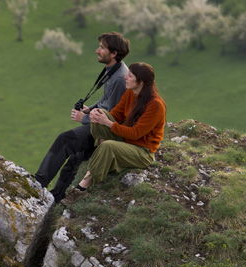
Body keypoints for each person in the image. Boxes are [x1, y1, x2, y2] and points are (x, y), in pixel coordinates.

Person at [34, 32, 130, 202]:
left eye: (101, 47)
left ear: (114, 53)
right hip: (103, 125)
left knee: (65, 140)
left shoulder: (120, 78)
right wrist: (89, 110)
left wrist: (84, 119)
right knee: (76, 158)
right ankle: (56, 197)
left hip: (109, 131)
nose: (97, 50)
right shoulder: (113, 70)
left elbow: (114, 114)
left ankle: (38, 182)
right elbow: (105, 101)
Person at [70, 62, 165, 194]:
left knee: (107, 145)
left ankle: (84, 185)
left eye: (130, 76)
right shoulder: (130, 93)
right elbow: (115, 114)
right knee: (99, 114)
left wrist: (108, 123)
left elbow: (135, 134)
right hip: (125, 140)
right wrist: (94, 113)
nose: (126, 77)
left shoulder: (156, 105)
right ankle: (105, 157)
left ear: (141, 81)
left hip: (142, 152)